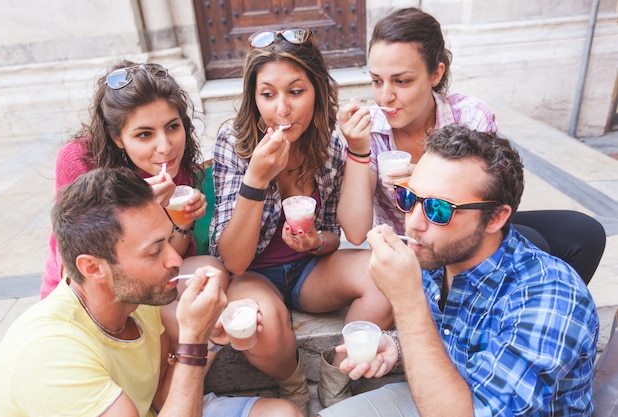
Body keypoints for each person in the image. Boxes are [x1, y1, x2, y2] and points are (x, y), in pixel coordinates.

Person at [318, 124, 599, 417]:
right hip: (440, 393)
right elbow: (448, 337)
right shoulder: (440, 256)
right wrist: (397, 346)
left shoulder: (550, 297)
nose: (413, 223)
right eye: (408, 198)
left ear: (495, 218)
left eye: (438, 209)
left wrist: (407, 301)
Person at [0, 168, 301, 417]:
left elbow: (161, 394)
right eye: (154, 252)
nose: (176, 260)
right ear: (93, 268)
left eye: (168, 241)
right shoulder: (51, 357)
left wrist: (206, 335)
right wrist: (192, 338)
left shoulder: (132, 298)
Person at [336, 7, 606, 285]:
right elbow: (356, 233)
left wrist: (425, 179)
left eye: (402, 81)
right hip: (412, 247)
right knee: (530, 244)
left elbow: (497, 204)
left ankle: (546, 314)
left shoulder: (470, 116)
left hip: (463, 234)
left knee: (583, 233)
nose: (386, 95)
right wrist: (358, 149)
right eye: (377, 81)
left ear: (435, 74)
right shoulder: (371, 132)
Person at [209, 27, 393, 412]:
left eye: (296, 91)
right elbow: (234, 261)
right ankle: (293, 386)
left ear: (317, 91)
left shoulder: (327, 143)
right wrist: (256, 179)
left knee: (384, 276)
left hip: (310, 271)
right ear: (253, 97)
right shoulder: (235, 144)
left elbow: (351, 233)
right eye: (268, 94)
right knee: (260, 323)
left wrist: (316, 242)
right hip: (253, 275)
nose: (282, 109)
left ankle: (336, 377)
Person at [40, 60, 225, 299]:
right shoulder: (79, 160)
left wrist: (183, 221)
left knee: (212, 272)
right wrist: (134, 203)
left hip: (148, 280)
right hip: (86, 294)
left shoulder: (173, 168)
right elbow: (76, 266)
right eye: (144, 134)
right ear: (116, 137)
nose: (165, 146)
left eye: (172, 127)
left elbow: (171, 259)